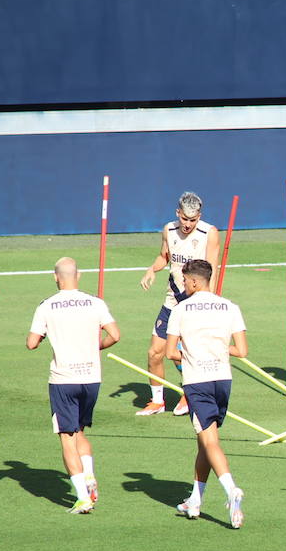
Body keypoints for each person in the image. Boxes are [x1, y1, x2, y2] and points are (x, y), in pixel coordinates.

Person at [27, 257, 121, 513]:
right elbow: (115, 335)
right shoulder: (95, 302)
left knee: (67, 438)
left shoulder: (46, 306)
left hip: (63, 380)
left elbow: (31, 343)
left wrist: (46, 336)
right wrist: (95, 347)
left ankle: (82, 497)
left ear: (55, 277)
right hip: (91, 378)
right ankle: (89, 475)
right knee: (80, 430)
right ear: (78, 275)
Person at [165, 259, 247, 528]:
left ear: (195, 281)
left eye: (186, 281)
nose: (184, 285)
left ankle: (231, 489)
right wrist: (216, 349)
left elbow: (170, 353)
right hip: (223, 379)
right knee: (205, 441)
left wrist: (193, 356)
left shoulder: (181, 309)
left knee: (210, 442)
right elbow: (241, 350)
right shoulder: (230, 306)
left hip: (197, 381)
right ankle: (195, 501)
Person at [137, 191, 219, 416]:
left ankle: (189, 394)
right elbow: (164, 256)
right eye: (184, 218)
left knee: (184, 352)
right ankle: (157, 401)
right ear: (178, 213)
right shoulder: (169, 229)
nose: (187, 224)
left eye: (192, 220)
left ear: (199, 216)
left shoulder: (209, 233)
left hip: (195, 303)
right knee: (156, 352)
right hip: (172, 300)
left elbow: (212, 270)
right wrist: (151, 269)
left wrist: (207, 303)